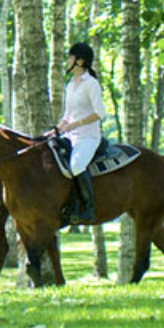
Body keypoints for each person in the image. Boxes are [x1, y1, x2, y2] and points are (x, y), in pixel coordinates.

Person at [56, 42, 106, 222]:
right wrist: (57, 128)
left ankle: (88, 207)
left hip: (88, 136)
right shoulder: (71, 84)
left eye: (70, 57)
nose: (67, 61)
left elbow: (100, 112)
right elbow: (67, 115)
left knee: (76, 166)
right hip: (70, 135)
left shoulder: (91, 84)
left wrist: (76, 124)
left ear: (80, 61)